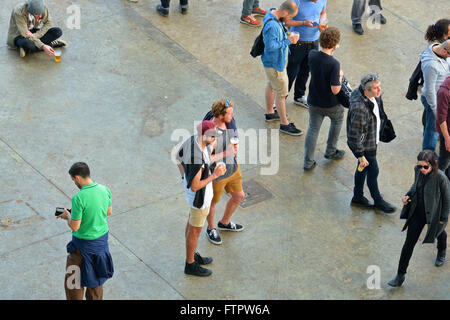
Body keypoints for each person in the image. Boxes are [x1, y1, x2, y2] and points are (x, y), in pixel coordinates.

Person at [388, 151, 449, 287]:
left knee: (439, 232)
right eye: (420, 166)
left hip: (434, 213)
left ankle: (442, 250)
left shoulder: (441, 178)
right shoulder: (418, 171)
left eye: (425, 167)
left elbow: (446, 200)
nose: (422, 169)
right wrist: (407, 196)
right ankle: (400, 275)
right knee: (408, 244)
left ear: (432, 165)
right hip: (417, 212)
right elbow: (414, 186)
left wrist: (443, 219)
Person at [57, 162, 114, 300]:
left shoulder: (79, 198)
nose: (74, 183)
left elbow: (75, 226)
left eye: (73, 180)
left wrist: (67, 215)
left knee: (73, 282)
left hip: (81, 249)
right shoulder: (104, 190)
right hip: (100, 247)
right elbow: (108, 212)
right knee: (96, 282)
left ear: (77, 177)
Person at [176, 120, 226, 276]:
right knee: (195, 232)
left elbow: (178, 157)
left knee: (191, 226)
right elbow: (195, 186)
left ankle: (192, 255)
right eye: (212, 136)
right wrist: (215, 175)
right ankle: (190, 264)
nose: (214, 138)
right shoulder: (197, 158)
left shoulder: (193, 140)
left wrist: (184, 176)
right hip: (200, 199)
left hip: (194, 199)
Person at [346, 73, 396, 213]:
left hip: (372, 140)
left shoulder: (373, 96)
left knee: (362, 168)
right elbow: (354, 135)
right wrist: (360, 154)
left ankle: (357, 196)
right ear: (366, 90)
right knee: (373, 171)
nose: (379, 90)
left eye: (379, 86)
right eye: (375, 88)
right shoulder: (360, 109)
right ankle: (378, 200)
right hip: (365, 146)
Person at [303, 27, 345, 171]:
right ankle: (331, 151)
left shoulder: (312, 54)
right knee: (338, 120)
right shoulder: (334, 64)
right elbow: (335, 89)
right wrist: (339, 76)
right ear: (335, 45)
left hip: (314, 100)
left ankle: (308, 162)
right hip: (330, 104)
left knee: (313, 129)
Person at [203, 99, 245, 245]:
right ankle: (211, 228)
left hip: (233, 168)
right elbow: (205, 157)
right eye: (229, 113)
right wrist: (226, 153)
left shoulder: (228, 121)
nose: (233, 115)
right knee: (212, 203)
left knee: (239, 196)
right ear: (220, 116)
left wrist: (234, 147)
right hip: (217, 174)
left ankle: (224, 223)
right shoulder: (210, 133)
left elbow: (233, 138)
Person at [262, 0, 302, 136]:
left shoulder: (271, 13)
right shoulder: (273, 25)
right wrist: (288, 41)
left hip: (270, 64)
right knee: (282, 94)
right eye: (290, 17)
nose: (290, 20)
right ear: (285, 12)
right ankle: (285, 124)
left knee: (271, 85)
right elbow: (270, 47)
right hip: (275, 65)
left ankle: (270, 113)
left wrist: (285, 35)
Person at [285, 0, 327, 108]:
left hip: (314, 42)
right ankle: (281, 98)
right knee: (291, 71)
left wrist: (322, 22)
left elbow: (323, 12)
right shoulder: (296, 2)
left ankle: (299, 96)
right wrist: (303, 22)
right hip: (297, 42)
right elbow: (286, 22)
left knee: (306, 70)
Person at [420, 40, 450, 154]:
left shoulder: (440, 50)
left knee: (429, 121)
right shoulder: (431, 65)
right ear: (444, 51)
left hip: (439, 94)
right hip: (435, 99)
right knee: (433, 128)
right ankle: (428, 153)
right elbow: (429, 91)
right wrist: (436, 110)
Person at [436, 76, 450, 179]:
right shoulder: (444, 92)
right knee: (443, 163)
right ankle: (438, 185)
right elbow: (441, 119)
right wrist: (447, 138)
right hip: (447, 132)